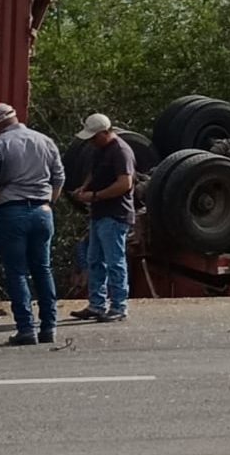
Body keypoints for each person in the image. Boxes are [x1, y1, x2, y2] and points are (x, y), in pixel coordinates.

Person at [0, 103, 66, 346]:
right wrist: (50, 201)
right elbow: (59, 175)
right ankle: (49, 327)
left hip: (13, 210)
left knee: (17, 272)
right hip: (42, 211)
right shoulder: (44, 140)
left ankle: (26, 328)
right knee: (43, 269)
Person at [70, 114, 136, 323]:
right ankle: (97, 304)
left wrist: (96, 195)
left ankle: (119, 306)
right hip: (99, 213)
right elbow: (94, 172)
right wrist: (85, 187)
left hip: (115, 214)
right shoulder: (99, 149)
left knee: (114, 261)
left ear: (105, 133)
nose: (91, 141)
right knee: (94, 260)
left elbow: (125, 183)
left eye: (94, 137)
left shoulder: (121, 151)